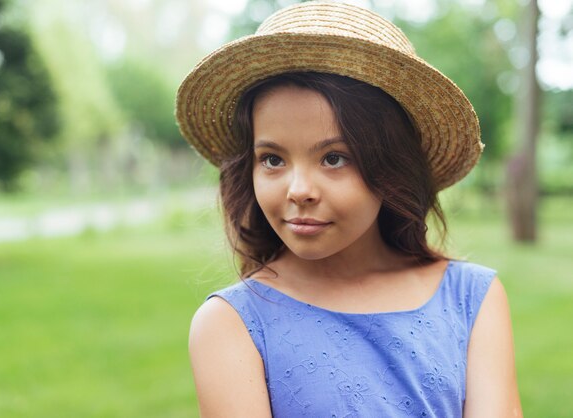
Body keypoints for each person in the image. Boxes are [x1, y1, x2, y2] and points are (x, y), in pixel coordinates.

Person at [175, 2, 522, 417]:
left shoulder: (471, 299)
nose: (299, 190)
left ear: (391, 167)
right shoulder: (231, 323)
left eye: (334, 158)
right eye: (272, 159)